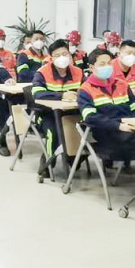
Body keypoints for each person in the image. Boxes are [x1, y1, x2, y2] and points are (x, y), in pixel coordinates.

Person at [77, 48, 135, 173]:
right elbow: (90, 117)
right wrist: (119, 126)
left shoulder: (122, 84)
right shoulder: (85, 90)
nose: (107, 67)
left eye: (109, 63)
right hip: (107, 133)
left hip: (130, 128)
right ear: (91, 67)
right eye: (102, 64)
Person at [31, 40, 84, 176]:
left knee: (88, 129)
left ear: (70, 55)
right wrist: (61, 95)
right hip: (46, 114)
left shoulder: (78, 72)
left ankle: (73, 157)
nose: (62, 57)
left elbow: (88, 90)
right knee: (53, 131)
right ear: (51, 57)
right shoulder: (43, 72)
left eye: (64, 54)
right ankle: (48, 161)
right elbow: (37, 93)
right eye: (57, 55)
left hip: (72, 113)